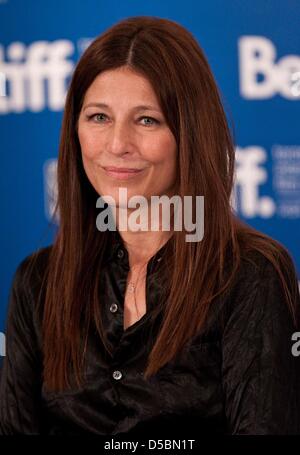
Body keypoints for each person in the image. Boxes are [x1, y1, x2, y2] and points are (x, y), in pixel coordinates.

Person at [0, 16, 300, 436]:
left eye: (147, 120)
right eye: (99, 117)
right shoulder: (37, 283)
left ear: (190, 134)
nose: (118, 144)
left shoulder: (250, 273)